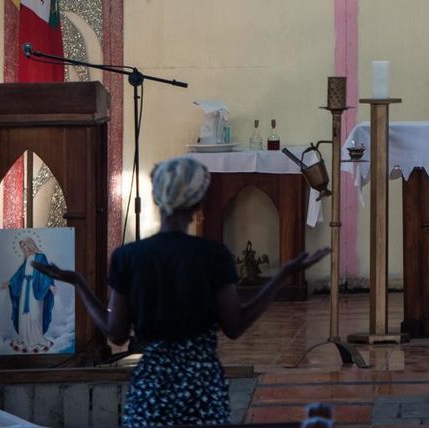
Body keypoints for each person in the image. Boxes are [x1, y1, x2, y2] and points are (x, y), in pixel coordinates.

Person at [40, 156, 329, 428]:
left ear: (156, 198)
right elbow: (234, 326)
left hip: (152, 385)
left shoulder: (128, 257)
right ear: (198, 202)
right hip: (201, 383)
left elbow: (115, 333)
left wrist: (80, 284)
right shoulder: (213, 255)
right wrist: (281, 276)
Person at [5, 234, 56, 353]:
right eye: (22, 247)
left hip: (35, 288)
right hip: (24, 288)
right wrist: (10, 283)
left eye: (26, 245)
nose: (25, 248)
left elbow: (46, 272)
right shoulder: (26, 258)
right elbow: (19, 274)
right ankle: (25, 338)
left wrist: (49, 285)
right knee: (24, 313)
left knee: (35, 313)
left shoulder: (40, 257)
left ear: (30, 244)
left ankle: (36, 338)